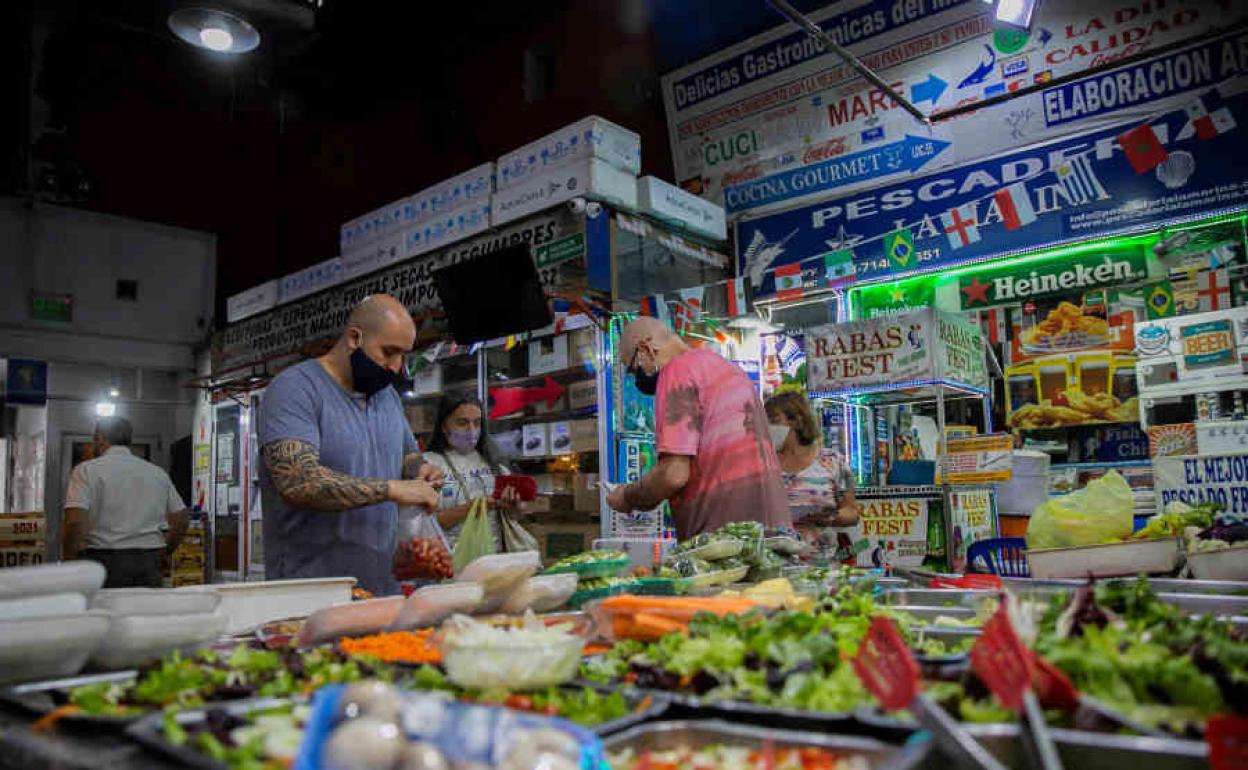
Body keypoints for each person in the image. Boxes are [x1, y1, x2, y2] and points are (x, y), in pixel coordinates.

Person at [259, 294, 444, 596]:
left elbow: (407, 455)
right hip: (309, 591)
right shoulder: (295, 389)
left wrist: (422, 470)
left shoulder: (387, 397)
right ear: (355, 337)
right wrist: (392, 489)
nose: (396, 367)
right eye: (389, 352)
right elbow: (296, 481)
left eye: (403, 356)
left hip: (382, 588)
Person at [606, 316, 791, 539]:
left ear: (646, 349)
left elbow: (673, 474)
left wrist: (628, 496)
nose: (637, 380)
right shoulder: (724, 367)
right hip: (773, 530)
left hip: (725, 541)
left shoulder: (677, 372)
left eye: (633, 369)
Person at [62, 416, 189, 588]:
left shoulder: (85, 471)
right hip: (148, 563)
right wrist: (166, 552)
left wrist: (69, 559)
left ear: (99, 438)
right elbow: (181, 519)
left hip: (103, 563)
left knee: (104, 613)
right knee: (145, 614)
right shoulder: (157, 473)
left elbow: (75, 522)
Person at [764, 392, 860, 557]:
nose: (768, 428)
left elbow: (852, 512)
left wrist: (830, 518)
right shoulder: (763, 463)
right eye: (765, 422)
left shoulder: (832, 462)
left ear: (797, 421)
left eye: (774, 421)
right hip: (773, 564)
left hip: (820, 566)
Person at [423, 393, 521, 551]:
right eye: (462, 423)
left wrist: (513, 506)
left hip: (494, 560)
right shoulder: (428, 465)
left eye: (477, 423)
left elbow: (514, 517)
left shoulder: (494, 462)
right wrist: (475, 506)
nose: (472, 430)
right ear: (444, 426)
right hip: (450, 564)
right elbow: (425, 524)